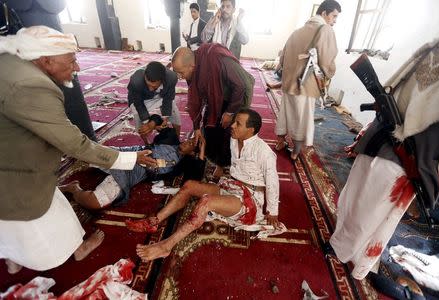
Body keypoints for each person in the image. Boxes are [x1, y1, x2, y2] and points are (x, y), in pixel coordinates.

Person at [0, 26, 156, 274]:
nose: (78, 67)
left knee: (12, 226)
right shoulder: (32, 86)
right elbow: (75, 144)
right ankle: (74, 249)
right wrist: (132, 157)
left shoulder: (11, 62)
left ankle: (13, 256)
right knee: (42, 219)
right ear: (46, 60)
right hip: (16, 177)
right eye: (71, 60)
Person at [329, 34, 439, 280]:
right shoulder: (438, 43)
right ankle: (348, 249)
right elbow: (399, 88)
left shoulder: (437, 43)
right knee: (356, 201)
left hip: (411, 157)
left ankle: (353, 257)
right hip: (385, 140)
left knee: (374, 213)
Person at [130, 109, 280, 261]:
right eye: (234, 121)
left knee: (206, 202)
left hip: (250, 198)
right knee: (189, 186)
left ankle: (166, 247)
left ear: (251, 130)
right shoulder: (235, 139)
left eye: (238, 124)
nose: (232, 125)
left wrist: (273, 211)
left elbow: (273, 182)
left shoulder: (264, 153)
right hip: (233, 186)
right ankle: (154, 221)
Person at [60, 115, 207, 210]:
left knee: (93, 203)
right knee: (86, 153)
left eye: (191, 144)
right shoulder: (171, 138)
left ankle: (74, 188)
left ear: (192, 153)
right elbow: (158, 120)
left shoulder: (182, 164)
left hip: (135, 172)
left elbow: (196, 176)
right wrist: (152, 124)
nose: (187, 141)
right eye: (189, 139)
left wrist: (202, 149)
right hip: (132, 152)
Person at [7, 0, 98, 141]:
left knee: (65, 74)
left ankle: (86, 137)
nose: (78, 67)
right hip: (12, 9)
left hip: (38, 7)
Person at [171, 44, 255, 178]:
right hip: (218, 95)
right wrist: (196, 127)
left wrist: (230, 112)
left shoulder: (215, 57)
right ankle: (218, 160)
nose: (180, 77)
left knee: (231, 129)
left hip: (240, 92)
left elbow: (240, 86)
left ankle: (229, 163)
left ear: (191, 66)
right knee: (211, 124)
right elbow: (195, 100)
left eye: (181, 73)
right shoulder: (194, 68)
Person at [274, 0, 340, 160]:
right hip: (306, 84)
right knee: (302, 118)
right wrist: (330, 72)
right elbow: (326, 59)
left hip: (289, 81)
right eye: (334, 16)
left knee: (285, 112)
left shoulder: (297, 31)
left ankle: (280, 142)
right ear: (324, 13)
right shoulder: (325, 30)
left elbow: (283, 55)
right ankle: (295, 153)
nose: (335, 21)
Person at [128, 61, 181, 144]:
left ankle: (177, 141)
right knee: (140, 124)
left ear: (162, 80)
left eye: (154, 86)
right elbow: (138, 103)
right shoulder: (136, 81)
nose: (150, 89)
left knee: (174, 113)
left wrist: (165, 118)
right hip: (140, 98)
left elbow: (168, 98)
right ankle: (147, 144)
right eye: (148, 84)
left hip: (161, 95)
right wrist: (147, 124)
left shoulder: (172, 78)